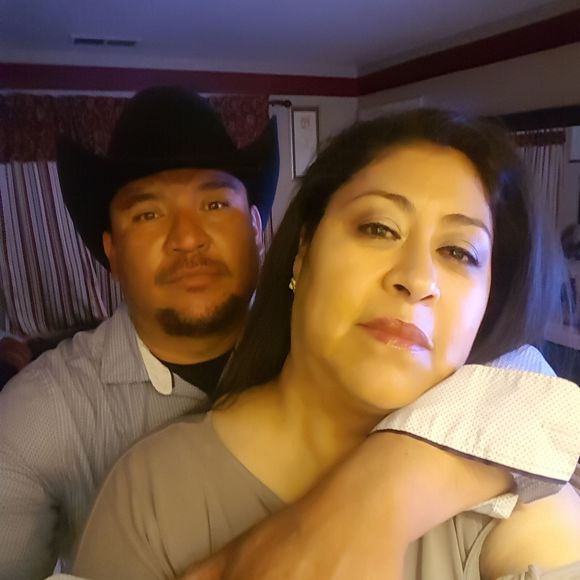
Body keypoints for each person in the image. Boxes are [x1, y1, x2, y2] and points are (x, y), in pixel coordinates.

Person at [71, 109, 580, 580]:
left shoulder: (522, 501)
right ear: (303, 250)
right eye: (379, 228)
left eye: (459, 252)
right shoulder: (151, 491)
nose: (416, 278)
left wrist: (378, 497)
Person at [0, 86, 278, 579]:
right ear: (112, 252)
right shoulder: (40, 414)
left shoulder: (328, 358)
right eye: (148, 214)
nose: (187, 238)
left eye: (215, 204)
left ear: (256, 228)